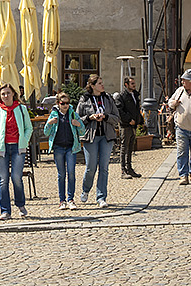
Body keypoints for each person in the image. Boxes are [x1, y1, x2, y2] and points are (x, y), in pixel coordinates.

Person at [0, 84, 33, 219]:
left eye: (8, 93)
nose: (6, 96)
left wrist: (25, 140)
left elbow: (29, 128)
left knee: (16, 178)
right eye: (3, 94)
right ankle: (5, 210)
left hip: (18, 147)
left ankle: (20, 204)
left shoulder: (22, 109)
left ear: (13, 94)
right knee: (3, 179)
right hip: (2, 149)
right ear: (0, 96)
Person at [76, 75, 120, 207]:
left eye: (102, 82)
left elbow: (116, 117)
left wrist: (105, 117)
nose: (102, 85)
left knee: (104, 168)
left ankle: (101, 197)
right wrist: (90, 118)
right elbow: (77, 119)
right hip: (91, 137)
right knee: (91, 167)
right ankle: (85, 190)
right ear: (93, 86)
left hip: (106, 136)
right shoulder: (84, 99)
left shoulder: (107, 98)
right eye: (100, 83)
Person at [43, 91, 85, 210]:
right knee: (61, 174)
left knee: (71, 173)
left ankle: (71, 199)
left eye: (67, 103)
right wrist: (49, 123)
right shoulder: (54, 114)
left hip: (71, 147)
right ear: (58, 103)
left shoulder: (73, 114)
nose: (65, 105)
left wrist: (78, 124)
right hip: (58, 148)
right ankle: (62, 200)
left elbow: (83, 131)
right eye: (63, 103)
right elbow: (46, 132)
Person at [117, 76, 143, 178]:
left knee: (131, 147)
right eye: (132, 83)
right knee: (124, 147)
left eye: (134, 83)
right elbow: (120, 110)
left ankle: (130, 168)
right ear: (126, 85)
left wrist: (140, 120)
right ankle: (123, 170)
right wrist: (128, 120)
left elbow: (136, 109)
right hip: (126, 125)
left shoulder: (135, 95)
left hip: (133, 125)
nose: (134, 85)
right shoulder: (122, 96)